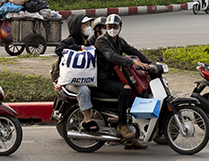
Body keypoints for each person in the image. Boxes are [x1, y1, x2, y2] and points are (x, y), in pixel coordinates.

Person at [94, 13, 158, 148]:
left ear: (120, 27)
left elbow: (133, 50)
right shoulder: (101, 41)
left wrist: (151, 64)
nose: (112, 29)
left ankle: (132, 137)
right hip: (102, 79)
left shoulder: (119, 41)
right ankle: (121, 126)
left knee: (136, 94)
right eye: (109, 26)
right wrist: (132, 62)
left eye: (115, 26)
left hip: (113, 77)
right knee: (126, 89)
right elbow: (111, 56)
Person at [56, 15, 100, 132]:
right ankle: (87, 120)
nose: (88, 27)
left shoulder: (88, 40)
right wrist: (78, 48)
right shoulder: (71, 40)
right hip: (73, 79)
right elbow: (59, 49)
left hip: (85, 76)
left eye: (88, 25)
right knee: (84, 90)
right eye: (85, 25)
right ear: (77, 27)